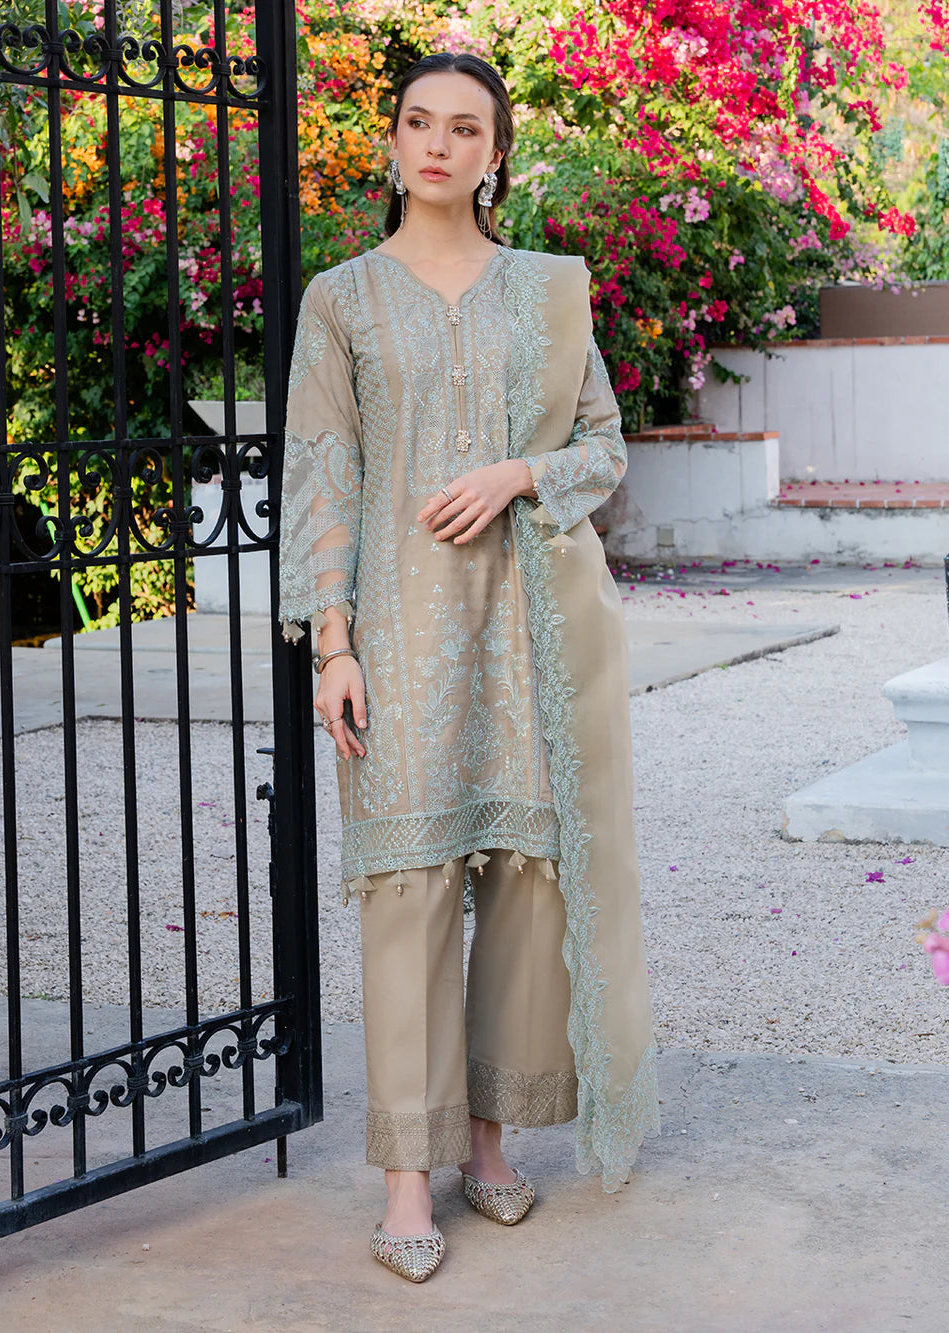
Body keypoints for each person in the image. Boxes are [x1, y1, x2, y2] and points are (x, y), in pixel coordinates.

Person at [278, 51, 661, 1282]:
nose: (437, 145)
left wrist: (515, 473)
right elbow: (322, 473)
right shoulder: (341, 299)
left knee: (525, 886)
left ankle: (489, 1137)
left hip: (528, 630)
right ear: (391, 141)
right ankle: (408, 1171)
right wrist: (331, 641)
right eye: (417, 122)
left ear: (496, 153)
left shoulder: (546, 293)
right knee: (407, 889)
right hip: (396, 631)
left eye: (464, 128)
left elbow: (601, 447)